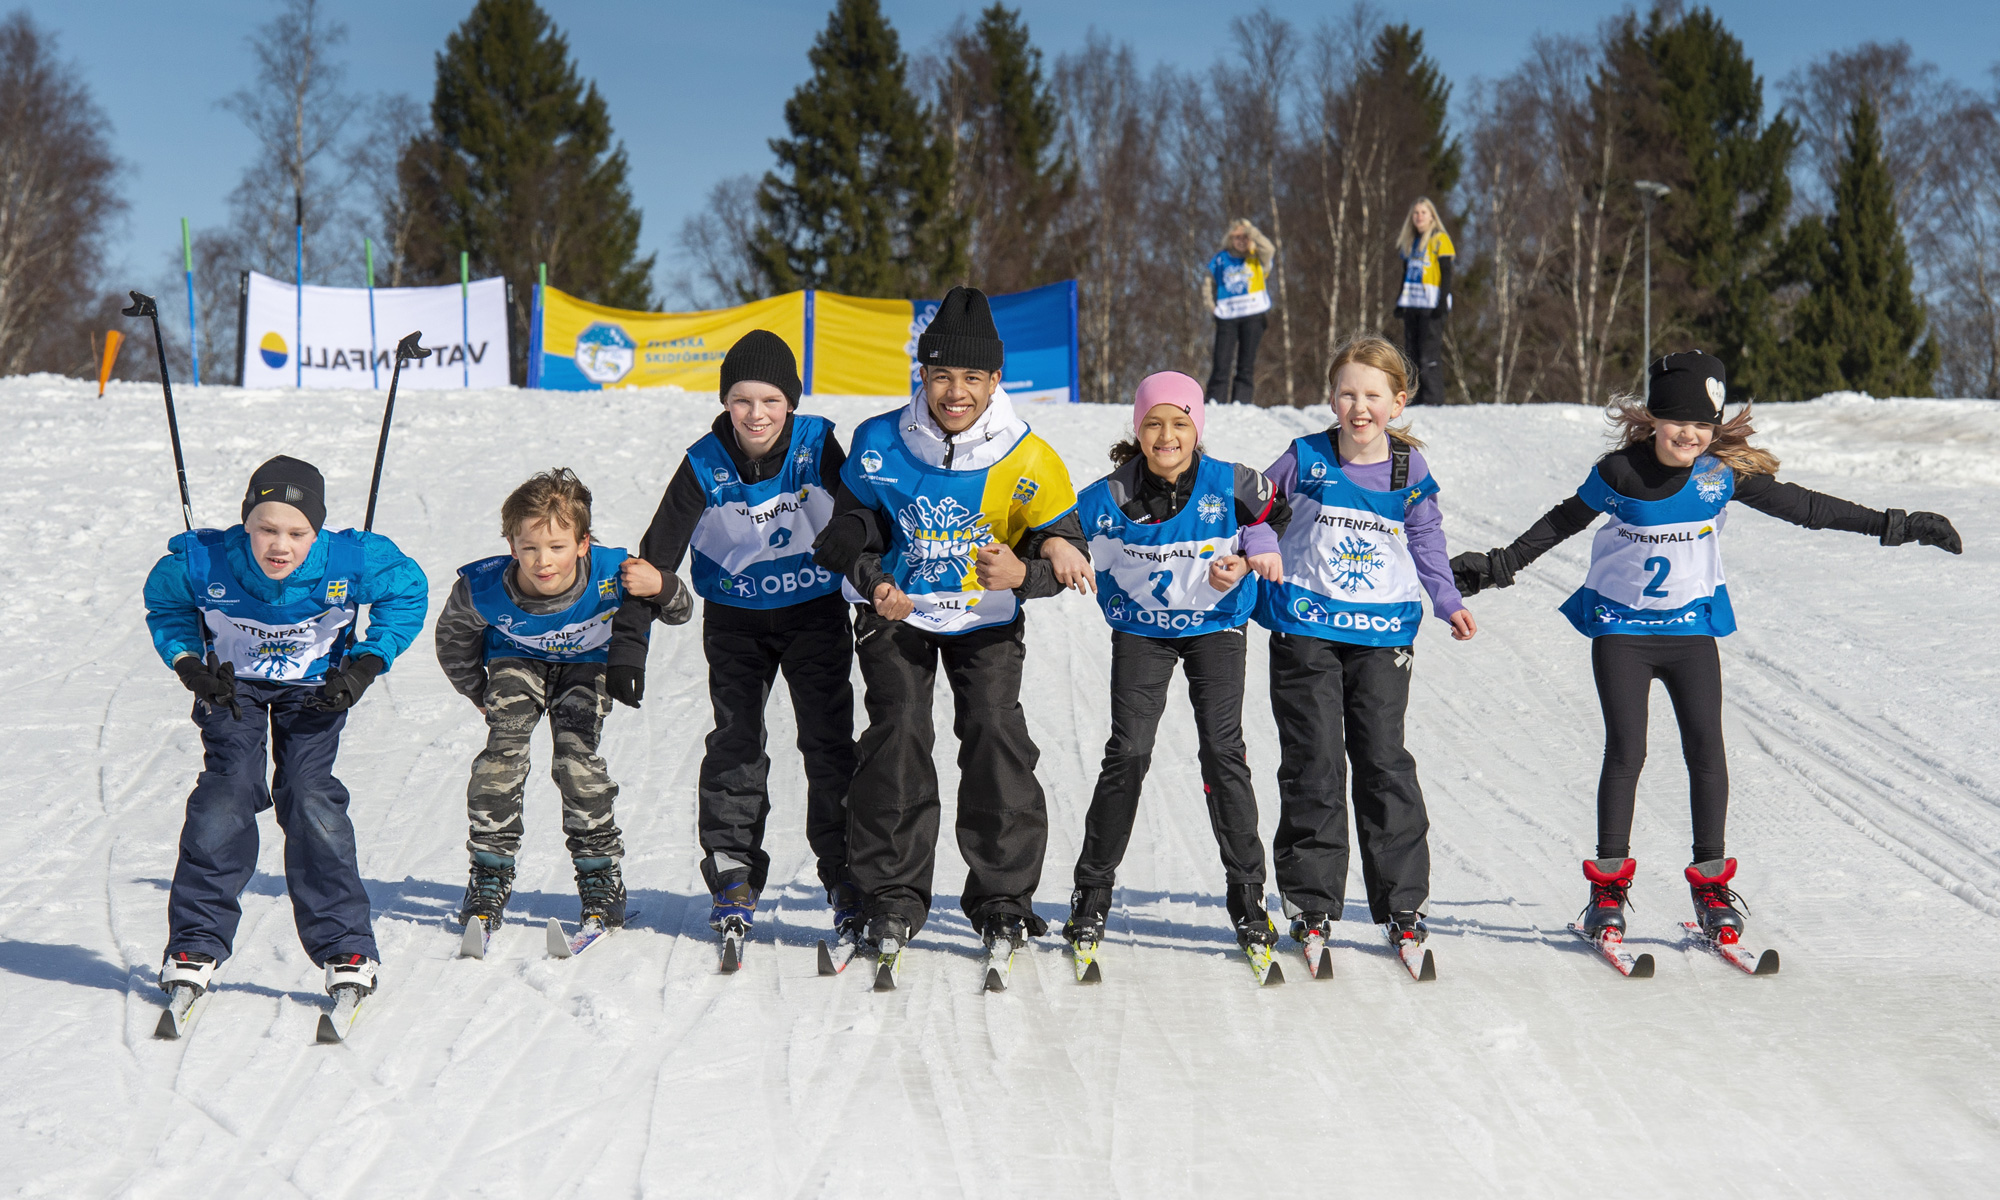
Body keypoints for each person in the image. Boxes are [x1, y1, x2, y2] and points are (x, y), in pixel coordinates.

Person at [1451, 351, 1962, 950]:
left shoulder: (1721, 475)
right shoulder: (1619, 473)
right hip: (1623, 630)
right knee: (1628, 750)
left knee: (1707, 751)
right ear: (1653, 418)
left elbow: (1810, 509)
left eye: (1702, 425)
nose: (1688, 435)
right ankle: (1607, 893)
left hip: (1692, 632)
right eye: (1676, 422)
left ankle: (1711, 888)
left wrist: (1896, 525)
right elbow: (1562, 520)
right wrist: (1498, 567)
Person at [812, 285, 1093, 962]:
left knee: (996, 735)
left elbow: (1065, 545)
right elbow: (847, 531)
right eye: (941, 376)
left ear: (996, 380)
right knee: (898, 735)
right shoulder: (880, 440)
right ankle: (890, 898)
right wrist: (875, 580)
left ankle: (1002, 901)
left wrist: (1029, 573)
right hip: (898, 615)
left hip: (986, 620)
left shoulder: (1029, 456)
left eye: (971, 377)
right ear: (923, 376)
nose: (955, 392)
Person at [145, 455, 428, 1002]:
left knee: (308, 794)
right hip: (231, 690)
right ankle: (195, 943)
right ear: (245, 522)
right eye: (266, 529)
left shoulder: (352, 560)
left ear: (316, 530)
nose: (281, 546)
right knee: (226, 791)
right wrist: (188, 664)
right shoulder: (203, 561)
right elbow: (167, 605)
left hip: (317, 691)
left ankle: (346, 946)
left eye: (297, 533)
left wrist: (367, 664)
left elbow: (406, 593)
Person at [617, 330, 859, 946]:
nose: (757, 415)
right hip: (736, 620)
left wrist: (857, 541)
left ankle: (844, 872)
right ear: (726, 402)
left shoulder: (815, 444)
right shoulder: (703, 461)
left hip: (813, 613)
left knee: (828, 743)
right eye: (743, 400)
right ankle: (732, 870)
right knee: (736, 741)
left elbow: (863, 510)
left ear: (791, 404)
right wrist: (629, 647)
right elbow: (656, 557)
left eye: (771, 401)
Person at [1256, 336, 1476, 962]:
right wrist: (1255, 547)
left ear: (1397, 403)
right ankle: (1310, 905)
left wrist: (1449, 601)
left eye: (1372, 396)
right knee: (1316, 763)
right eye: (1347, 393)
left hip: (1382, 634)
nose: (1359, 407)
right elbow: (1253, 511)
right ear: (1331, 398)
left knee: (1383, 763)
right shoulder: (1305, 458)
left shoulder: (1410, 470)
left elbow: (1428, 540)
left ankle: (1403, 906)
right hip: (1307, 628)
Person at [1064, 371, 1290, 962]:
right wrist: (1052, 549)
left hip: (1216, 627)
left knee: (1223, 750)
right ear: (1138, 431)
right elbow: (1058, 531)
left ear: (1197, 429)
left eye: (1180, 422)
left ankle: (1247, 896)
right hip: (1144, 633)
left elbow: (1276, 509)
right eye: (1154, 423)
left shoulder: (1230, 481)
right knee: (1129, 752)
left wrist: (1249, 550)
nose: (1167, 435)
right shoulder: (1109, 494)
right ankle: (1091, 894)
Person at [435, 468, 660, 937]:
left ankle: (600, 878)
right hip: (517, 662)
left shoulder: (611, 572)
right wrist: (478, 692)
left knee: (576, 761)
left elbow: (677, 609)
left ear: (583, 544)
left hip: (588, 667)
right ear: (511, 544)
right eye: (529, 547)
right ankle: (489, 875)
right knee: (504, 752)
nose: (543, 561)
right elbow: (453, 641)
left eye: (557, 547)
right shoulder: (484, 588)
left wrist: (661, 586)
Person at [1205, 219, 1276, 407]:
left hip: (1253, 315)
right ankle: (1214, 400)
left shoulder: (1258, 256)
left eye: (1245, 236)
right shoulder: (1220, 259)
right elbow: (1207, 282)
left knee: (1246, 361)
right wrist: (1210, 305)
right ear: (1230, 238)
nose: (1241, 240)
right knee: (1221, 359)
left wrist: (1251, 231)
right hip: (1227, 316)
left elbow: (1270, 249)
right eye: (1237, 236)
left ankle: (1241, 400)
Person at [1393, 197, 1454, 407]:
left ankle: (1432, 398)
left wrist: (1442, 301)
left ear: (1432, 216)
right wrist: (1400, 301)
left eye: (1423, 213)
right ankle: (1415, 396)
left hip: (1432, 304)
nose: (1419, 217)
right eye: (1416, 213)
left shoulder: (1439, 239)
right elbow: (1405, 273)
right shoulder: (1410, 241)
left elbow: (1446, 272)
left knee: (1429, 352)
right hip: (1412, 303)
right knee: (1411, 352)